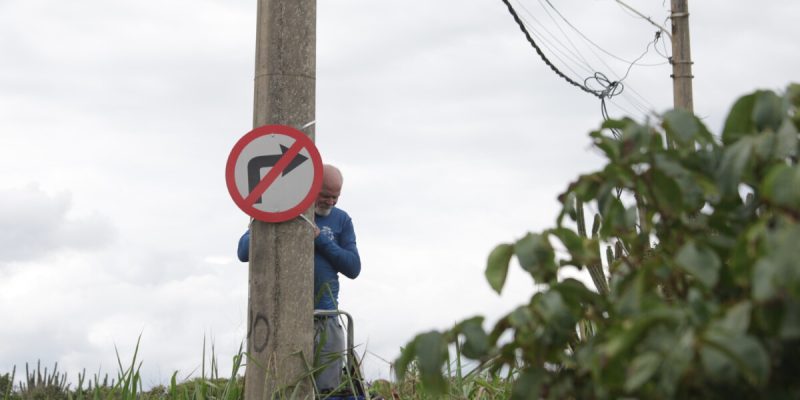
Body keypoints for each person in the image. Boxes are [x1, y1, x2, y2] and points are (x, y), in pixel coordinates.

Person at [237, 164, 361, 392]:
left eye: (336, 197)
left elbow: (353, 267)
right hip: (282, 319)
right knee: (284, 388)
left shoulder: (341, 220)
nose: (331, 202)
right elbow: (243, 252)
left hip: (326, 317)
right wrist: (262, 221)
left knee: (327, 391)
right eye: (325, 195)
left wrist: (320, 239)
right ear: (309, 187)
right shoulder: (280, 208)